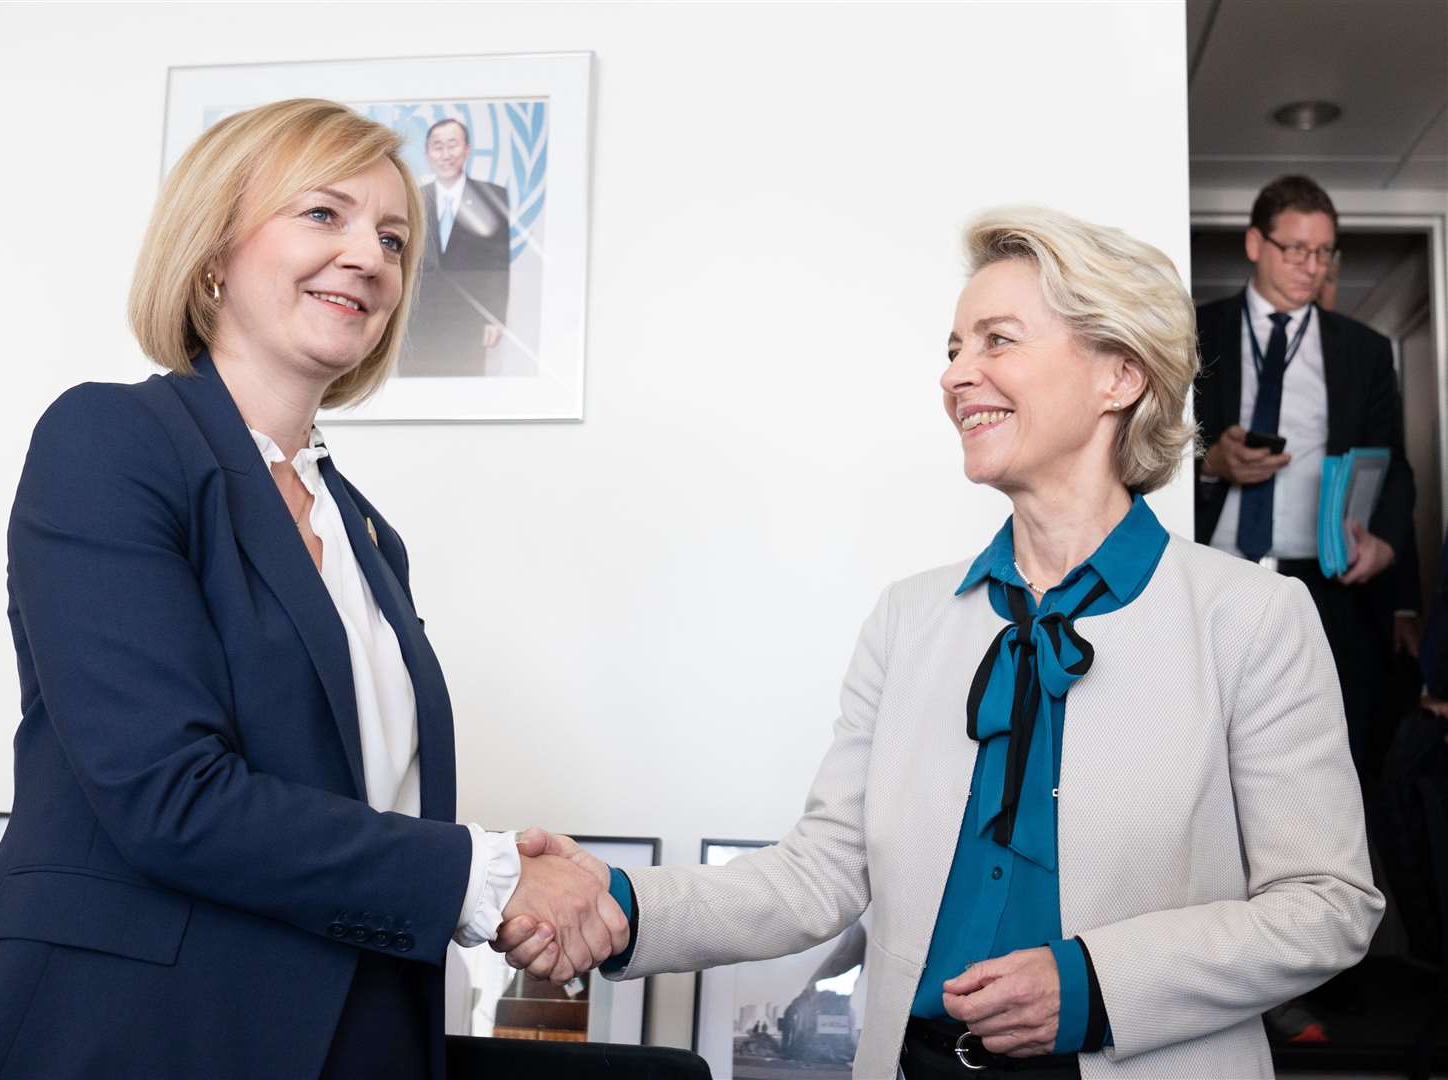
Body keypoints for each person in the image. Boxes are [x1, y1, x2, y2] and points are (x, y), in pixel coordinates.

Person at [497, 207, 1383, 1078]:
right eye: (954, 350)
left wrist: (1094, 985)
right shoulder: (908, 619)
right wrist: (618, 904)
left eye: (997, 340)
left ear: (1119, 375)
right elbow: (820, 875)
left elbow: (1327, 906)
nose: (959, 375)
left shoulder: (1253, 616)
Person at [0, 98, 624, 1080]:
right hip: (120, 1037)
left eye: (394, 238)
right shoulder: (111, 442)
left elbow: (358, 811)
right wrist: (488, 876)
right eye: (324, 215)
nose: (370, 257)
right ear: (212, 255)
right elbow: (172, 796)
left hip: (345, 1038)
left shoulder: (366, 532)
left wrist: (501, 876)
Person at [1192, 175, 1415, 775]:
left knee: (1326, 758)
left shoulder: (1364, 351)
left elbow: (1395, 467)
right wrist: (1210, 465)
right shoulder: (1191, 332)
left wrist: (1386, 545)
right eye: (1296, 249)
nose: (1312, 267)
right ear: (1254, 244)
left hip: (1327, 587)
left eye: (1324, 253)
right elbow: (1141, 447)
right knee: (1206, 750)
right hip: (1213, 578)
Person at [398, 117, 512, 377]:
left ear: (467, 149)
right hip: (417, 319)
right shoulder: (412, 198)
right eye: (438, 146)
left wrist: (494, 317)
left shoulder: (492, 197)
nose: (445, 154)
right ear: (427, 153)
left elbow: (497, 262)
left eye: (453, 145)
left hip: (467, 321)